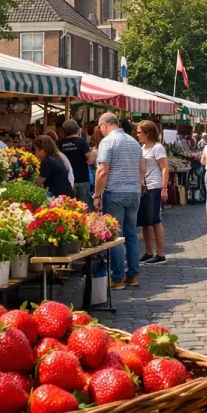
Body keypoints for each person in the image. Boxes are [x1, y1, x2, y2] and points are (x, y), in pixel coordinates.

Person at [94, 112, 145, 288]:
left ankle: (117, 278)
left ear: (105, 125)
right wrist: (137, 186)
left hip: (115, 192)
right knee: (131, 235)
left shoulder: (107, 142)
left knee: (116, 236)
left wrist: (97, 195)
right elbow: (142, 168)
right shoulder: (133, 142)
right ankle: (133, 275)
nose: (100, 131)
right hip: (133, 193)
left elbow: (102, 171)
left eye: (100, 128)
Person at [137, 120, 169, 263]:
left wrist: (164, 188)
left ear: (147, 133)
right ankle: (149, 251)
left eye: (139, 132)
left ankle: (160, 253)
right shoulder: (142, 148)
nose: (137, 135)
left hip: (155, 186)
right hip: (144, 187)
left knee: (155, 219)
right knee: (145, 221)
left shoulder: (158, 148)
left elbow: (164, 168)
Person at [59, 119, 95, 207]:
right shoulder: (81, 142)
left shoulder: (60, 144)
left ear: (63, 132)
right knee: (84, 209)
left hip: (66, 182)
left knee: (68, 208)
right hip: (82, 180)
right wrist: (83, 164)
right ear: (77, 130)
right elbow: (91, 158)